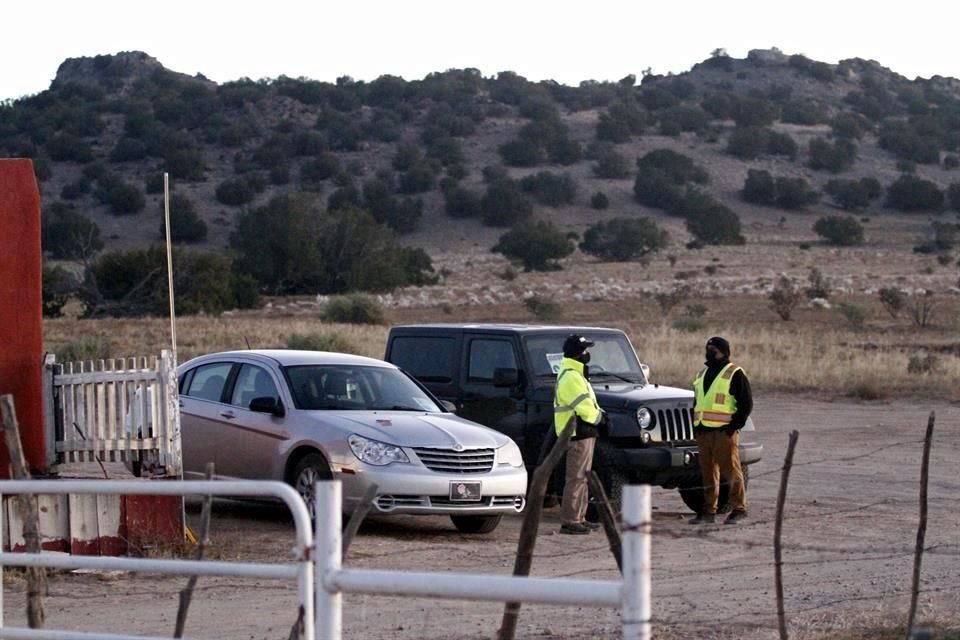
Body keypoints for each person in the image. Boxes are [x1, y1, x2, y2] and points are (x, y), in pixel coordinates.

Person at [689, 336, 753, 525]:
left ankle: (739, 509)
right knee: (708, 473)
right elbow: (697, 402)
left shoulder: (734, 373)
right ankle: (708, 511)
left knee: (731, 471)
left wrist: (733, 427)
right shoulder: (702, 374)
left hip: (723, 432)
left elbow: (746, 404)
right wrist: (696, 427)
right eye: (707, 347)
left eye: (713, 349)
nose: (709, 351)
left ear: (724, 352)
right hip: (703, 432)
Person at [554, 334, 606, 535]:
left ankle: (579, 517)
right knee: (576, 478)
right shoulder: (571, 376)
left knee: (582, 478)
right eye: (584, 350)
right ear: (577, 353)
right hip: (577, 432)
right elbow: (583, 407)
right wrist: (600, 418)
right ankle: (570, 521)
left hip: (584, 432)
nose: (587, 353)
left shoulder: (576, 374)